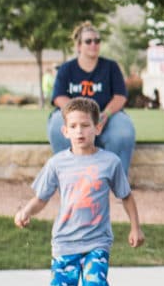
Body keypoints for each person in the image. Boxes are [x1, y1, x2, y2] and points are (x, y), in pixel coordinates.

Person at [15, 96, 144, 286]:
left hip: (97, 241)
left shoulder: (109, 162)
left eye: (85, 125)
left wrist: (135, 226)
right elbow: (41, 198)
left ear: (97, 128)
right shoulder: (57, 164)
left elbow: (126, 197)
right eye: (73, 126)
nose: (80, 131)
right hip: (64, 243)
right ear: (65, 131)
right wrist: (26, 211)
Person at [48, 23, 136, 181]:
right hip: (75, 117)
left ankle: (116, 182)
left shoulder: (111, 67)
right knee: (56, 124)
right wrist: (80, 116)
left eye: (97, 40)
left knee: (124, 130)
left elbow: (120, 96)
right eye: (88, 41)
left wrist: (105, 114)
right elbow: (59, 97)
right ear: (79, 45)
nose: (94, 44)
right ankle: (68, 178)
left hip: (106, 115)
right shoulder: (67, 68)